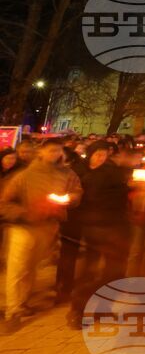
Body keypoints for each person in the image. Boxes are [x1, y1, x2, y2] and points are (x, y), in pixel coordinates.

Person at [0, 139, 82, 333]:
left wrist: (70, 199)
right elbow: (4, 203)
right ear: (42, 153)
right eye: (51, 150)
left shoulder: (67, 174)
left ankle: (23, 301)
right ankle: (13, 311)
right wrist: (25, 213)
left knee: (31, 268)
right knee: (18, 269)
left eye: (58, 151)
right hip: (23, 228)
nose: (56, 154)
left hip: (48, 227)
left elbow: (77, 190)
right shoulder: (25, 176)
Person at [66, 141, 131, 329]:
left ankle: (104, 306)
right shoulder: (80, 173)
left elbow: (122, 195)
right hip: (92, 228)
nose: (101, 158)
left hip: (116, 227)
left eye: (104, 155)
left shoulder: (113, 173)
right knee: (89, 272)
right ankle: (77, 310)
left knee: (113, 271)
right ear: (90, 155)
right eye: (97, 155)